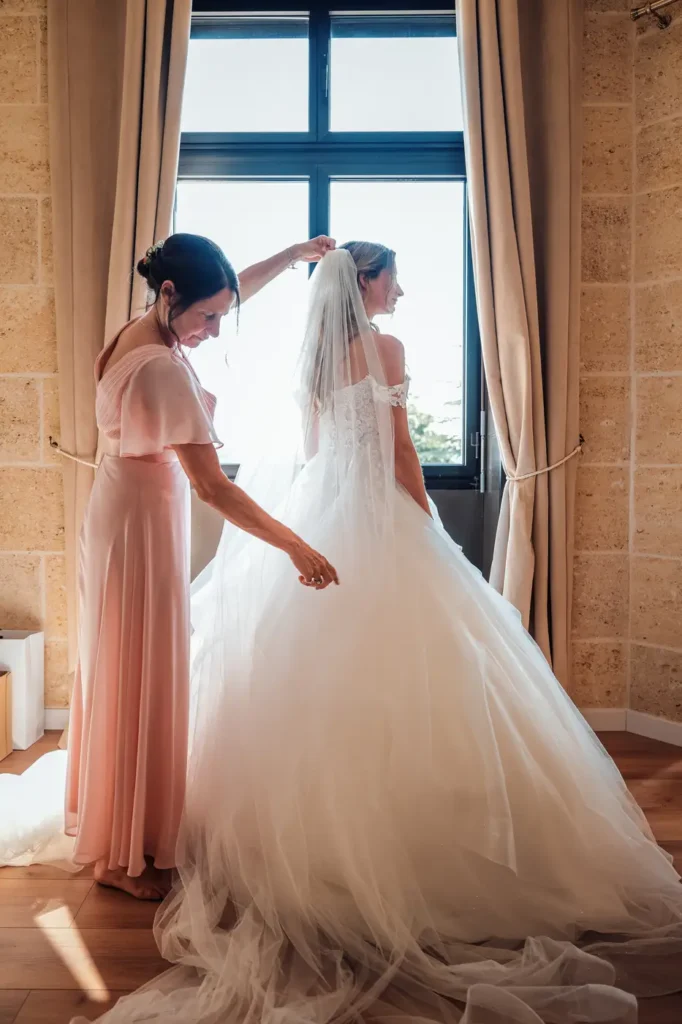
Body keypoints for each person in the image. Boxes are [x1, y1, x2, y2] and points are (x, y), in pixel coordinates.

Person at [83, 244, 682, 1023]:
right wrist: (425, 523)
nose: (401, 290)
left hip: (313, 499)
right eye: (394, 278)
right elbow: (399, 449)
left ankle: (212, 828)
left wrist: (293, 256)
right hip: (360, 513)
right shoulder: (382, 346)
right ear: (365, 283)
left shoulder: (218, 342)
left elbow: (315, 442)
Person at [1, 233, 339, 901]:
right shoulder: (162, 368)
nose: (213, 330)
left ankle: (120, 831)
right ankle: (121, 858)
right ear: (169, 295)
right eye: (208, 317)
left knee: (124, 672)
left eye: (220, 315)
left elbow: (222, 292)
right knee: (138, 676)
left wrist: (287, 257)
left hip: (123, 510)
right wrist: (295, 545)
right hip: (141, 525)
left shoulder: (140, 330)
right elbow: (213, 488)